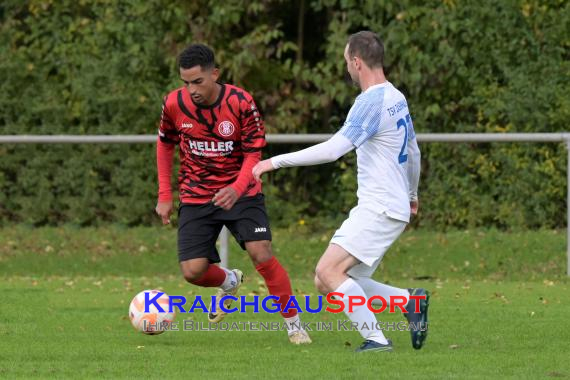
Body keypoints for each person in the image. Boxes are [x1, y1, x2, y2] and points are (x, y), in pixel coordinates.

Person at [252, 31, 429, 353]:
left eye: (347, 62)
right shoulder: (396, 97)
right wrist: (413, 195)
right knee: (327, 281)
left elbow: (334, 150)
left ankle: (376, 340)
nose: (346, 68)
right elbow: (413, 152)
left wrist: (274, 162)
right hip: (391, 204)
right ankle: (407, 300)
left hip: (380, 206)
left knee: (327, 271)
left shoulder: (371, 102)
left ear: (357, 62)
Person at [155, 43, 311, 344]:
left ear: (215, 73)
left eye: (198, 81)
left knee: (260, 251)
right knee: (193, 271)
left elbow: (254, 153)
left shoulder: (241, 102)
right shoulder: (174, 104)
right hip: (196, 194)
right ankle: (229, 280)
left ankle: (294, 325)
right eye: (185, 83)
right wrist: (164, 193)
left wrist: (237, 189)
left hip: (242, 191)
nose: (192, 90)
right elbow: (165, 145)